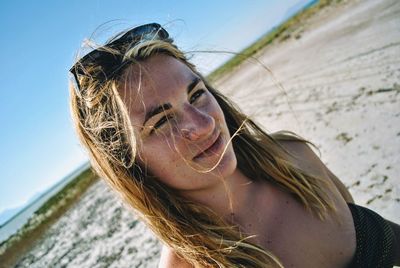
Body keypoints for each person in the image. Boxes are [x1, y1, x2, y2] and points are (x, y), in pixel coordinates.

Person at [69, 23, 399, 267]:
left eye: (196, 95)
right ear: (128, 161)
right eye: (161, 121)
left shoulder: (295, 159)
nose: (203, 124)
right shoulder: (189, 265)